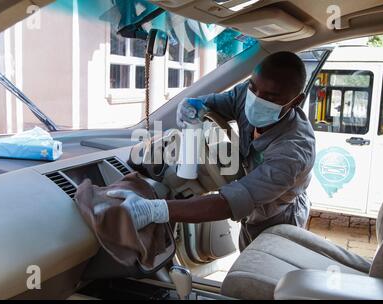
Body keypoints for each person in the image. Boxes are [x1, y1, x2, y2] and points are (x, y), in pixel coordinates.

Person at [108, 51, 316, 251]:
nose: (255, 99)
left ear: (296, 101)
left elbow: (231, 202)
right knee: (248, 253)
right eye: (253, 88)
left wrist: (154, 210)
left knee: (264, 275)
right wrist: (193, 105)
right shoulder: (246, 94)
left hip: (278, 216)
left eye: (270, 98)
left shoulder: (293, 152)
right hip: (253, 210)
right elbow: (213, 104)